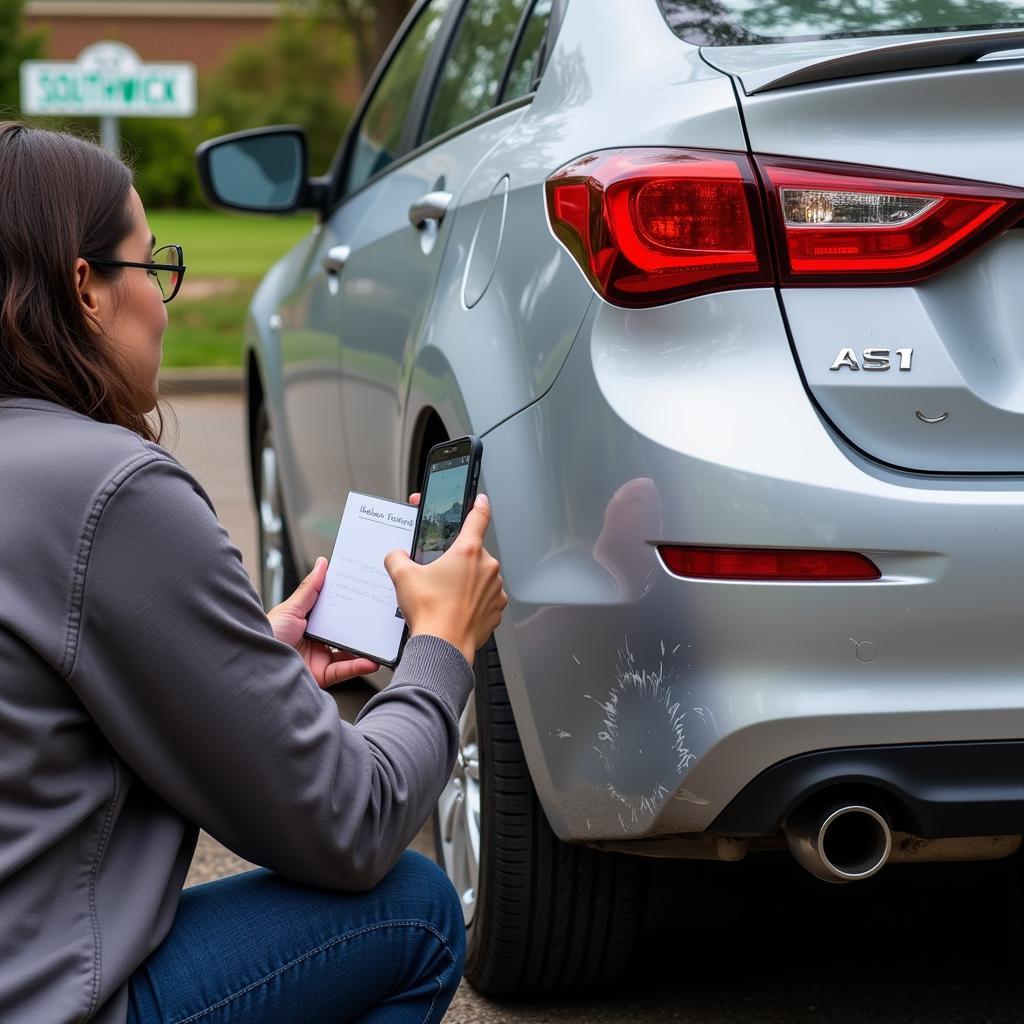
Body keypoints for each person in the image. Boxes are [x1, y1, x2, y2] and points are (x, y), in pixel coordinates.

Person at [0, 120, 507, 1023]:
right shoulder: (112, 493)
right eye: (151, 267)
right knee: (416, 912)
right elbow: (351, 823)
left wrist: (237, 661)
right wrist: (441, 644)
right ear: (84, 288)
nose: (165, 302)